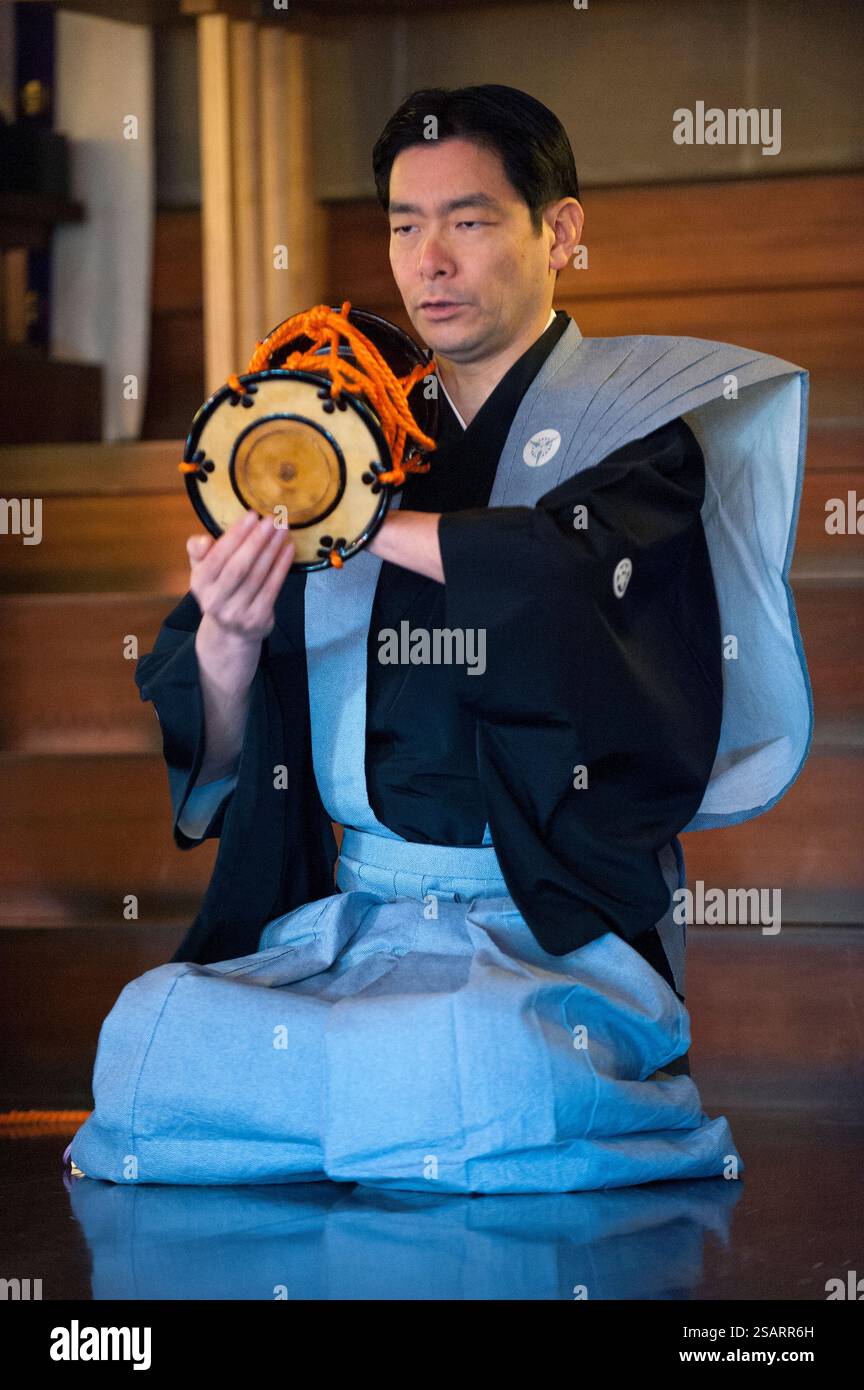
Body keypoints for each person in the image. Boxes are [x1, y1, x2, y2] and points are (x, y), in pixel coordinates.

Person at [65, 85, 811, 1193]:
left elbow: (564, 582)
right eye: (404, 227)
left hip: (543, 937)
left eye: (467, 220)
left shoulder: (635, 429)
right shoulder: (352, 428)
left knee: (470, 1056)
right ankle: (388, 1113)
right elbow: (223, 737)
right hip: (354, 920)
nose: (430, 260)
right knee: (152, 1040)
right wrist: (227, 632)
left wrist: (369, 520)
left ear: (559, 231)